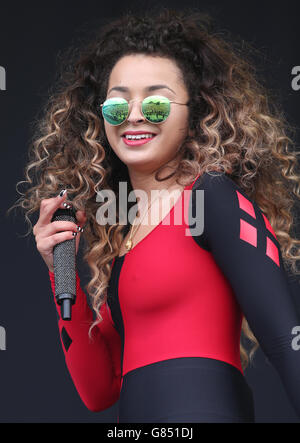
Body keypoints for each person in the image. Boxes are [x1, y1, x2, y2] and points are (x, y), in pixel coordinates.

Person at [8, 7, 300, 422]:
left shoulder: (212, 197)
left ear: (196, 111)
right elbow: (99, 390)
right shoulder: (120, 236)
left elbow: (285, 340)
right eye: (117, 105)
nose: (135, 115)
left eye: (157, 103)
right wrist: (60, 269)